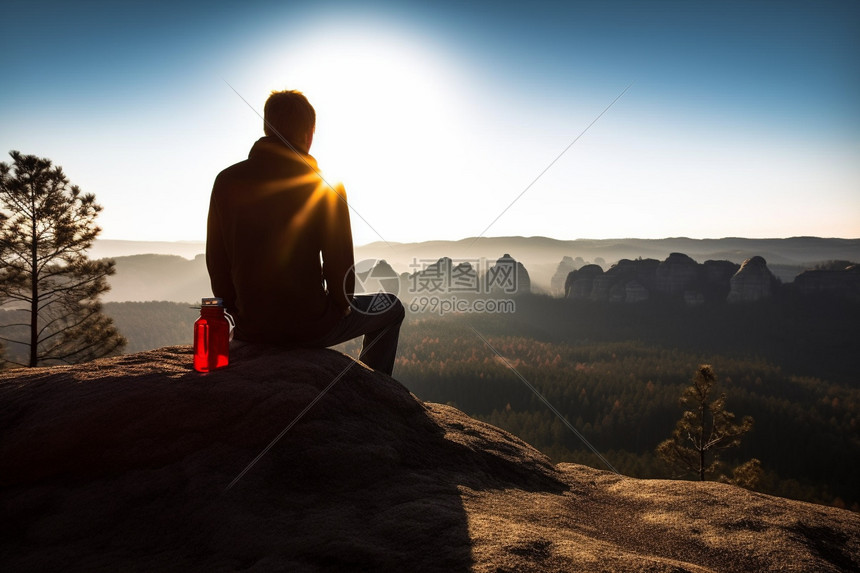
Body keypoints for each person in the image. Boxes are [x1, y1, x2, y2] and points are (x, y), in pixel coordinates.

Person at [206, 89, 404, 376]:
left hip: (251, 328)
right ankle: (377, 390)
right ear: (310, 133)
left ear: (267, 127)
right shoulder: (325, 185)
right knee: (392, 308)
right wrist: (341, 306)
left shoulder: (226, 180)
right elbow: (341, 271)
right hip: (310, 326)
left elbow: (217, 261)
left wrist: (239, 314)